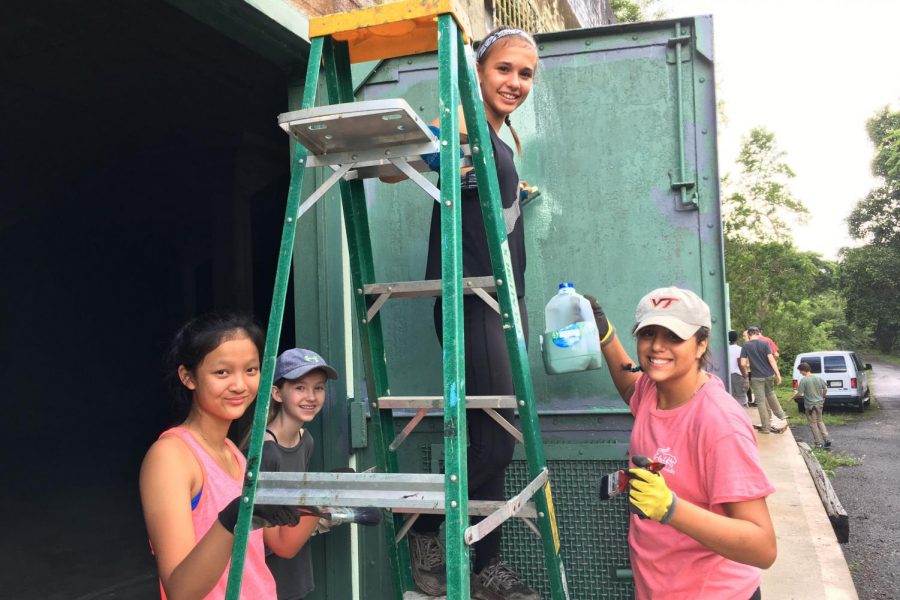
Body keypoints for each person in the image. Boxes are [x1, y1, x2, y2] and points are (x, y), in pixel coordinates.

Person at [407, 25, 541, 600]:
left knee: (495, 442)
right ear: (478, 72)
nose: (514, 82)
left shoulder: (495, 137)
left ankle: (486, 563)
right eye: (504, 69)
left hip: (501, 303)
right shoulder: (463, 123)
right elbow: (404, 161)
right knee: (495, 447)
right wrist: (426, 148)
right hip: (471, 301)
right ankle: (428, 533)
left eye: (526, 74)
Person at [586, 287, 776, 599]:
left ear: (701, 344)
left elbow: (763, 547)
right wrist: (605, 334)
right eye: (648, 334)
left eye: (674, 337)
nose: (657, 346)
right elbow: (630, 386)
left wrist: (670, 508)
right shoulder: (652, 390)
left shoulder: (719, 423)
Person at [140, 313, 308, 599]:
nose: (240, 385)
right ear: (188, 377)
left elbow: (282, 544)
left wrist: (323, 501)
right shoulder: (171, 457)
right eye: (222, 372)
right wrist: (232, 518)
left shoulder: (236, 456)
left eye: (251, 370)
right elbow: (181, 590)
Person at [261, 348, 339, 599]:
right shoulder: (265, 450)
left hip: (295, 570)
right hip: (267, 572)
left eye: (318, 388)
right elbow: (271, 538)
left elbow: (295, 507)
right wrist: (321, 504)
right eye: (300, 388)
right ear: (277, 393)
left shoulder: (306, 440)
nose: (311, 396)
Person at [741, 326, 787, 434]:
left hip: (757, 377)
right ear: (757, 333)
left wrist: (748, 366)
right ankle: (781, 415)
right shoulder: (765, 344)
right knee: (771, 394)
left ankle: (766, 427)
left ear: (750, 334)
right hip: (768, 375)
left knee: (761, 401)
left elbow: (743, 363)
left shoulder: (746, 346)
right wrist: (778, 374)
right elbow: (772, 360)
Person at [793, 362, 831, 450]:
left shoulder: (804, 380)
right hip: (819, 404)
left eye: (800, 371)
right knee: (820, 421)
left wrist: (792, 398)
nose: (800, 373)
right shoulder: (818, 378)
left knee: (813, 424)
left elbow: (799, 393)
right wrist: (823, 396)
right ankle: (826, 439)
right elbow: (825, 388)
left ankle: (818, 443)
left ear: (803, 370)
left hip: (810, 406)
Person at [728, 330, 749, 406]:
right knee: (740, 396)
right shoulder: (739, 349)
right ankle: (739, 415)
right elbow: (740, 364)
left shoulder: (726, 349)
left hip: (728, 375)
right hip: (737, 375)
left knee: (732, 396)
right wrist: (745, 376)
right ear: (737, 339)